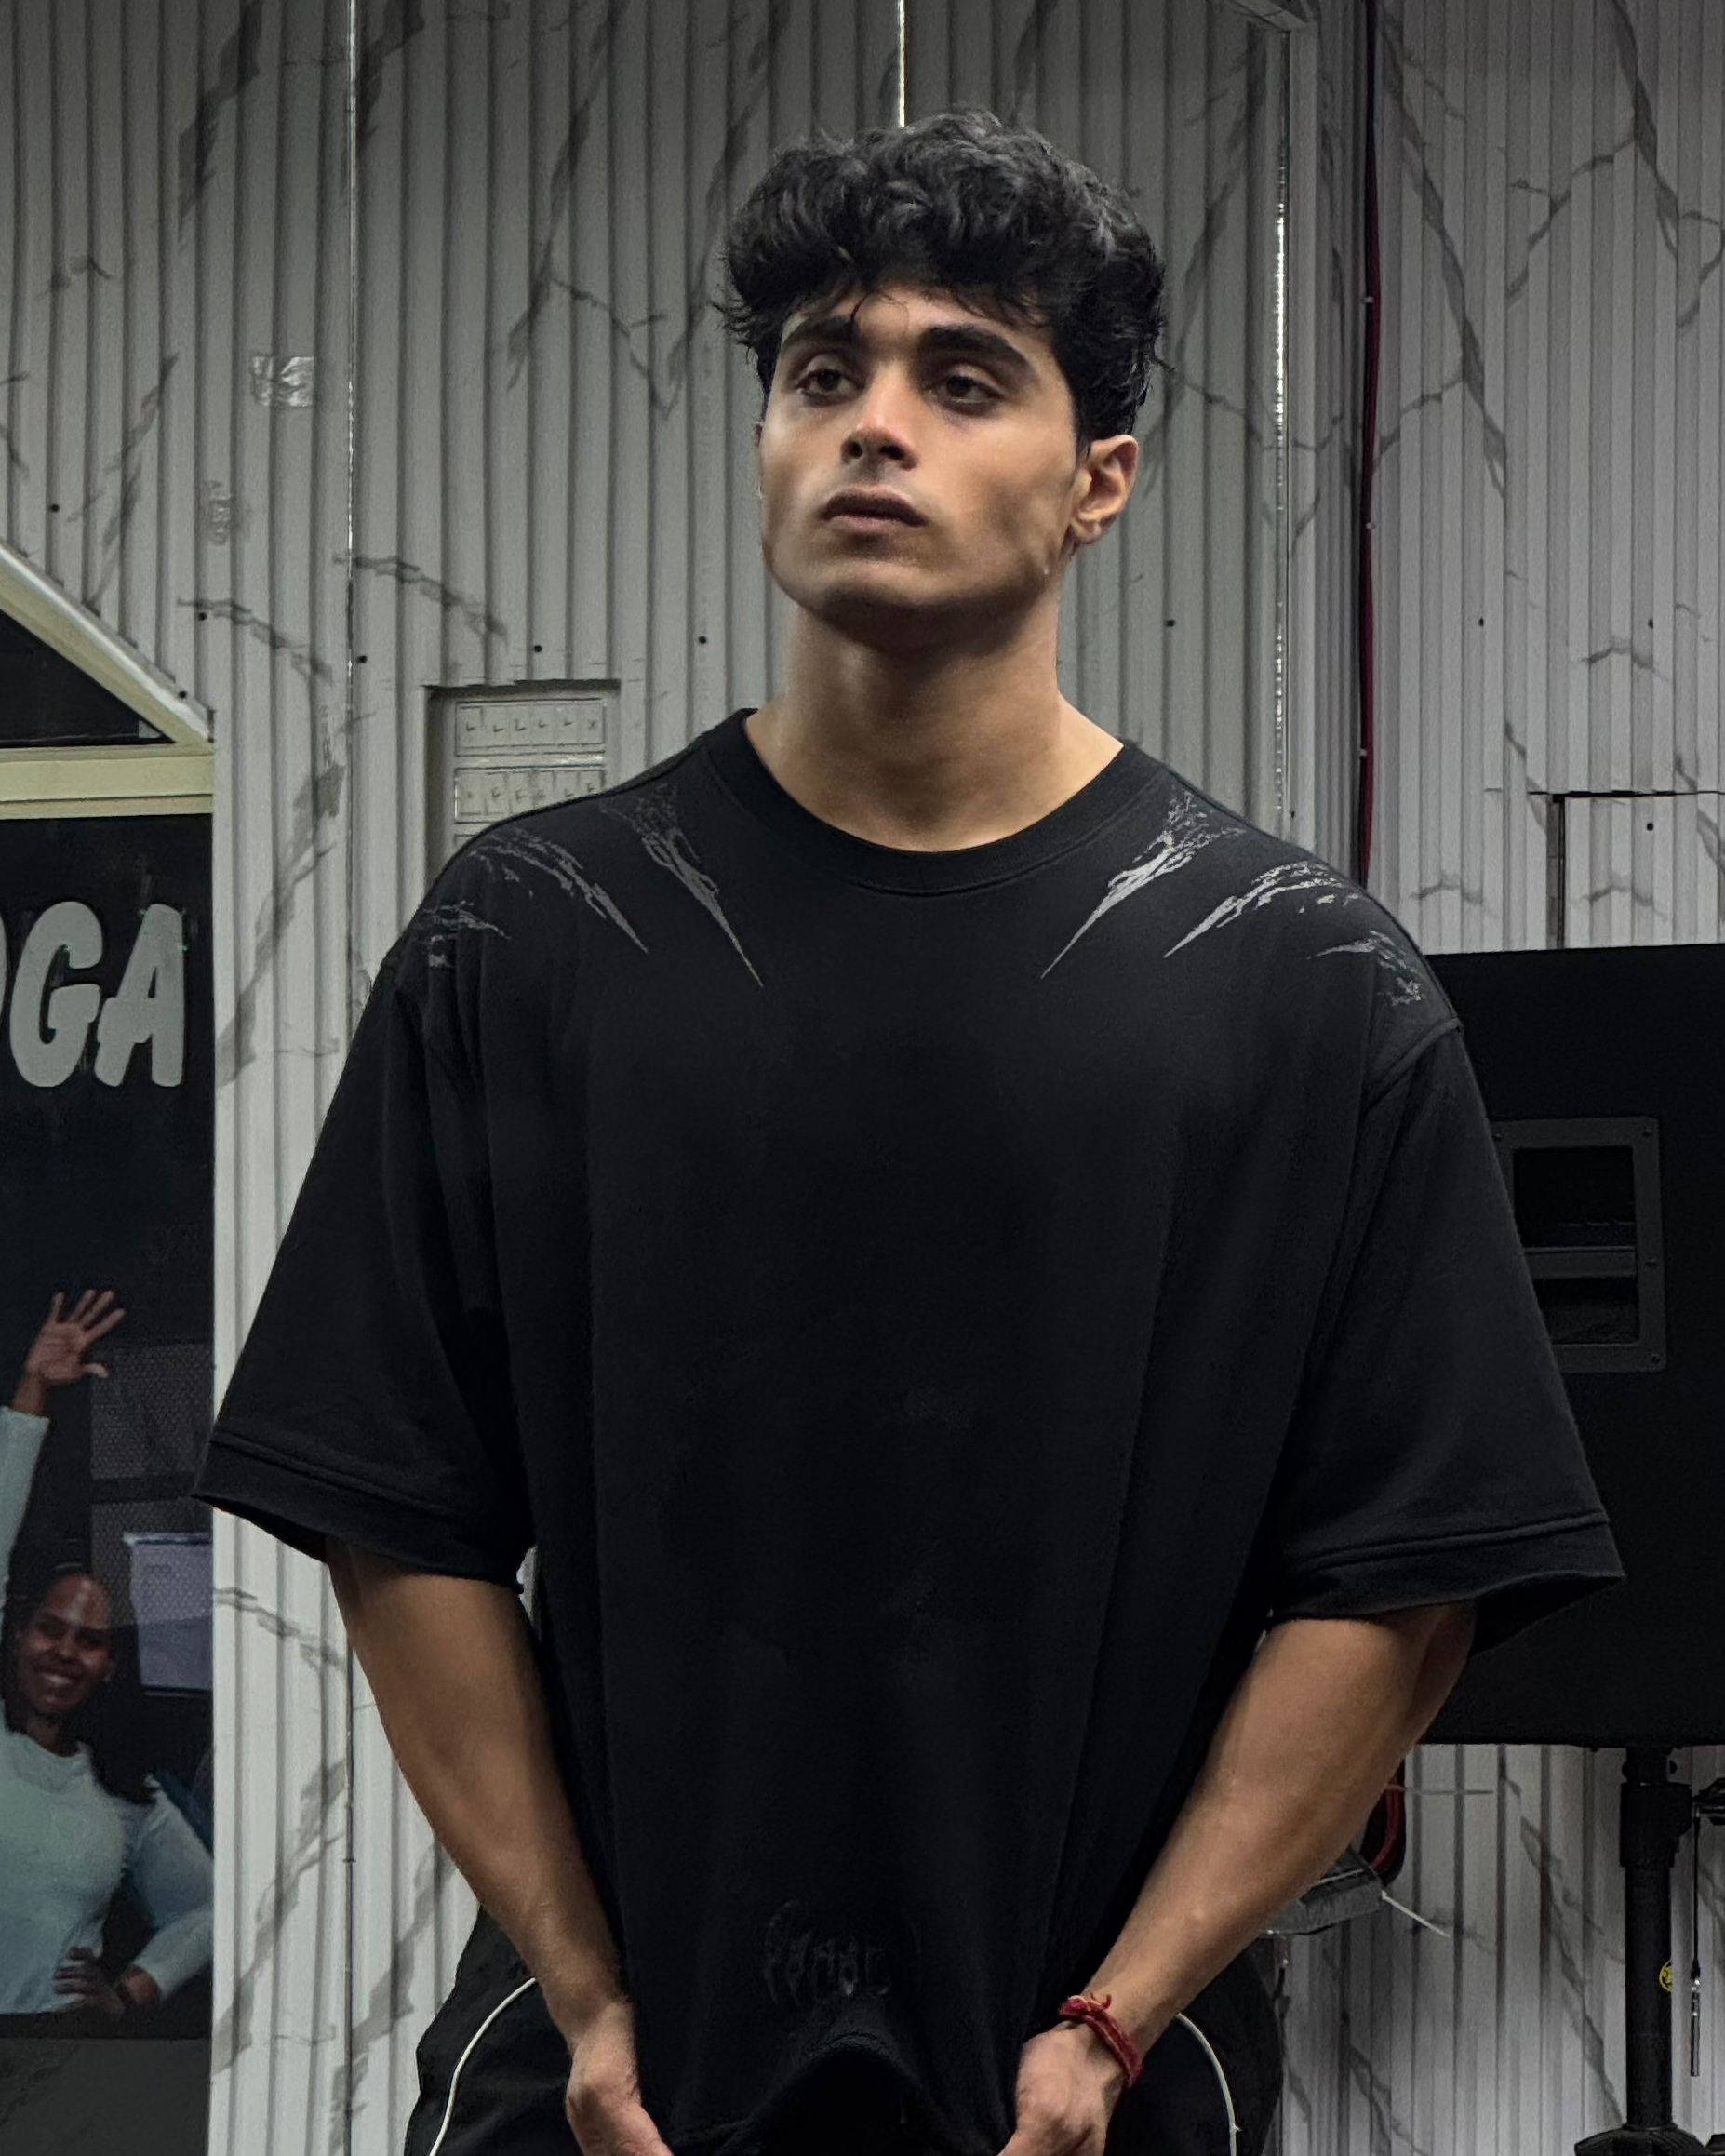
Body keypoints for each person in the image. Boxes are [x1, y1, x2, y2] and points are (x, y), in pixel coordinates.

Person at [193, 107, 1622, 2156]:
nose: (877, 424)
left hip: (1091, 2089)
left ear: (1097, 481)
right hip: (610, 2088)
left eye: (965, 379)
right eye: (823, 371)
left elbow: (1398, 1582)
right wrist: (580, 1986)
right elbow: (393, 1504)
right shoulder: (533, 937)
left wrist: (1118, 2027)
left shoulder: (1303, 988)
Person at [1, 1290, 215, 2025]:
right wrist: (34, 1393)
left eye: (89, 1639)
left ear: (109, 1665)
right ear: (18, 1635)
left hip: (57, 2060)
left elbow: (209, 1909)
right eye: (48, 1628)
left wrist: (127, 1992)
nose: (63, 1650)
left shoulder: (122, 1796)